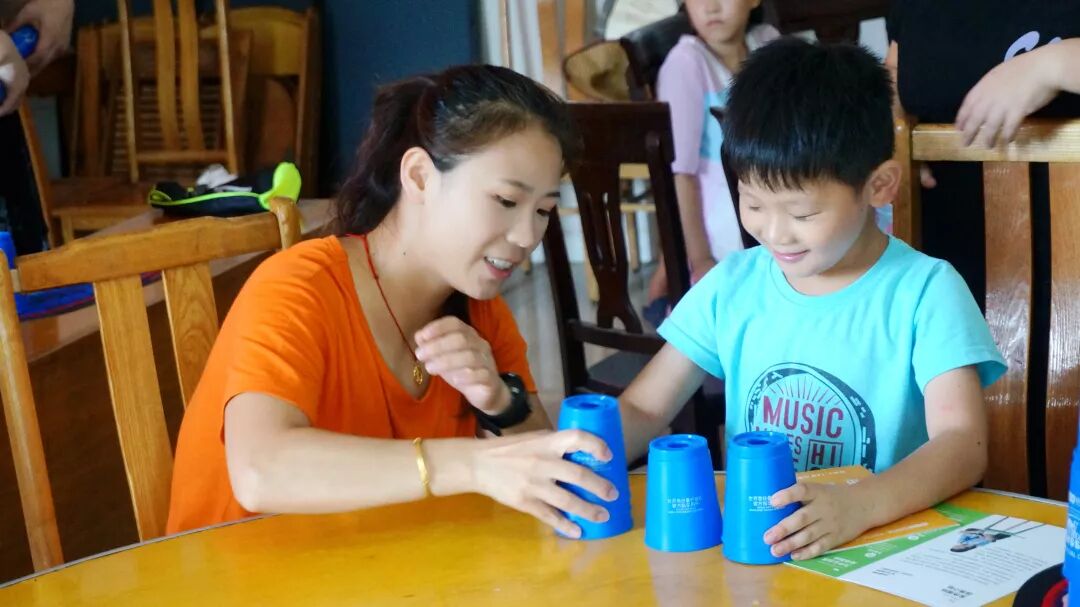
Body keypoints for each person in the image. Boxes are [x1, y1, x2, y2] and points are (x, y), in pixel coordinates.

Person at [167, 65, 619, 538]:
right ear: (420, 176)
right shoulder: (300, 287)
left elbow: (543, 480)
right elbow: (260, 471)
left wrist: (502, 404)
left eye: (544, 210)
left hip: (371, 565)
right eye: (506, 201)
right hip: (238, 569)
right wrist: (471, 464)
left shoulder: (479, 312)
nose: (528, 236)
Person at [618, 38, 1007, 560]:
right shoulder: (734, 285)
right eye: (753, 203)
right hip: (761, 550)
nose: (774, 234)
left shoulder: (925, 292)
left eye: (802, 214)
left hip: (880, 551)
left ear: (879, 186)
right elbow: (645, 406)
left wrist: (861, 505)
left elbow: (962, 444)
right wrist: (579, 456)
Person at [885, 1, 1080, 308]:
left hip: (1066, 265)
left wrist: (1050, 65)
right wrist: (892, 127)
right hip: (951, 258)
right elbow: (897, 69)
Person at [643, 0, 778, 326]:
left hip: (772, 205)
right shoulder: (686, 64)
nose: (711, 7)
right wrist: (700, 259)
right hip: (722, 226)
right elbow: (680, 175)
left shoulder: (768, 43)